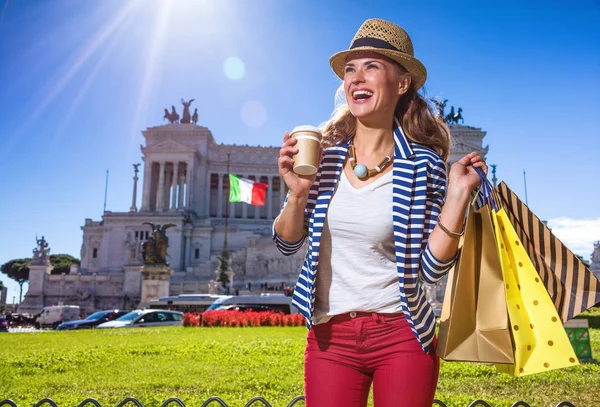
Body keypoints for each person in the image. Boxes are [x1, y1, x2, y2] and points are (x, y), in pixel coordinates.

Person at [272, 18, 487, 407]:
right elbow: (287, 245)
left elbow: (431, 270)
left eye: (372, 66)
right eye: (350, 69)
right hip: (329, 337)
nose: (357, 78)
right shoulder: (321, 158)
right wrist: (298, 195)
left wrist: (457, 197)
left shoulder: (423, 165)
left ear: (402, 83)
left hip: (402, 335)